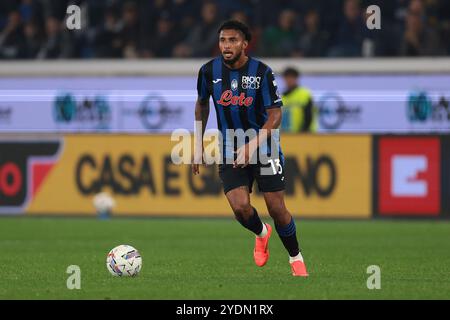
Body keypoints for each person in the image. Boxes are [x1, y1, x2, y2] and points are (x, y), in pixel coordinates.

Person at [193, 20, 308, 277]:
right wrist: (198, 143)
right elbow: (202, 105)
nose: (226, 45)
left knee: (277, 209)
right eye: (223, 40)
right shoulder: (208, 71)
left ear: (245, 44)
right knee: (240, 207)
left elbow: (275, 116)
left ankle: (295, 257)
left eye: (232, 40)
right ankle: (261, 232)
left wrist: (253, 144)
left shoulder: (262, 72)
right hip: (229, 147)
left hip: (265, 146)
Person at [281, 67, 317, 133]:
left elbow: (308, 116)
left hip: (306, 134)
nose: (289, 80)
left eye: (292, 77)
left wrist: (303, 132)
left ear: (296, 78)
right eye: (287, 77)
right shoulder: (282, 97)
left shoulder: (304, 94)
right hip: (290, 135)